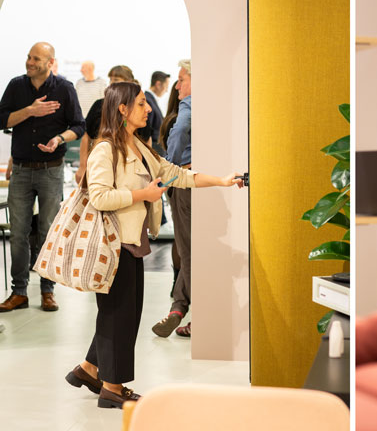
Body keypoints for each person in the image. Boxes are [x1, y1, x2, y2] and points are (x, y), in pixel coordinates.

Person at [64, 81, 243, 408]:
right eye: (141, 103)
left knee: (122, 313)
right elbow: (99, 197)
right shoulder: (106, 150)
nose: (148, 109)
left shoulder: (137, 146)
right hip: (114, 244)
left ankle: (89, 369)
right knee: (120, 316)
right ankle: (112, 388)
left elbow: (175, 174)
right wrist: (143, 194)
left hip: (132, 242)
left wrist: (222, 180)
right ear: (123, 109)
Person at [0, 42, 86, 313]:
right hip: (22, 170)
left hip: (51, 170)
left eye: (36, 58)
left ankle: (48, 290)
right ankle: (19, 292)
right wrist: (30, 111)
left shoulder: (64, 88)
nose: (30, 62)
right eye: (29, 57)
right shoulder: (16, 86)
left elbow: (79, 126)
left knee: (48, 232)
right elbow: (2, 120)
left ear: (50, 62)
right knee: (18, 233)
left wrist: (59, 138)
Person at [152, 60, 194, 338]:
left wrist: (169, 166)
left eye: (181, 79)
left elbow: (179, 131)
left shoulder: (190, 105)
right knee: (191, 250)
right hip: (200, 182)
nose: (177, 86)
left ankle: (189, 312)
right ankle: (178, 307)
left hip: (185, 183)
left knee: (188, 251)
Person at [75, 65, 149, 183]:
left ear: (129, 83)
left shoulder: (138, 108)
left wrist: (148, 168)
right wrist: (82, 166)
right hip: (100, 167)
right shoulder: (99, 105)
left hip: (130, 170)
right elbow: (86, 137)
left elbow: (146, 140)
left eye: (116, 80)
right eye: (110, 80)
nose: (111, 83)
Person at [160, 80, 181, 295]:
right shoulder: (177, 121)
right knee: (182, 237)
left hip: (172, 181)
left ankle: (177, 283)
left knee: (179, 235)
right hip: (178, 181)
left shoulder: (169, 120)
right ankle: (178, 283)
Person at [144, 71, 169, 156]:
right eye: (166, 87)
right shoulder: (148, 100)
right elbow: (147, 128)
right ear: (158, 84)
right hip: (154, 147)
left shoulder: (151, 99)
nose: (167, 90)